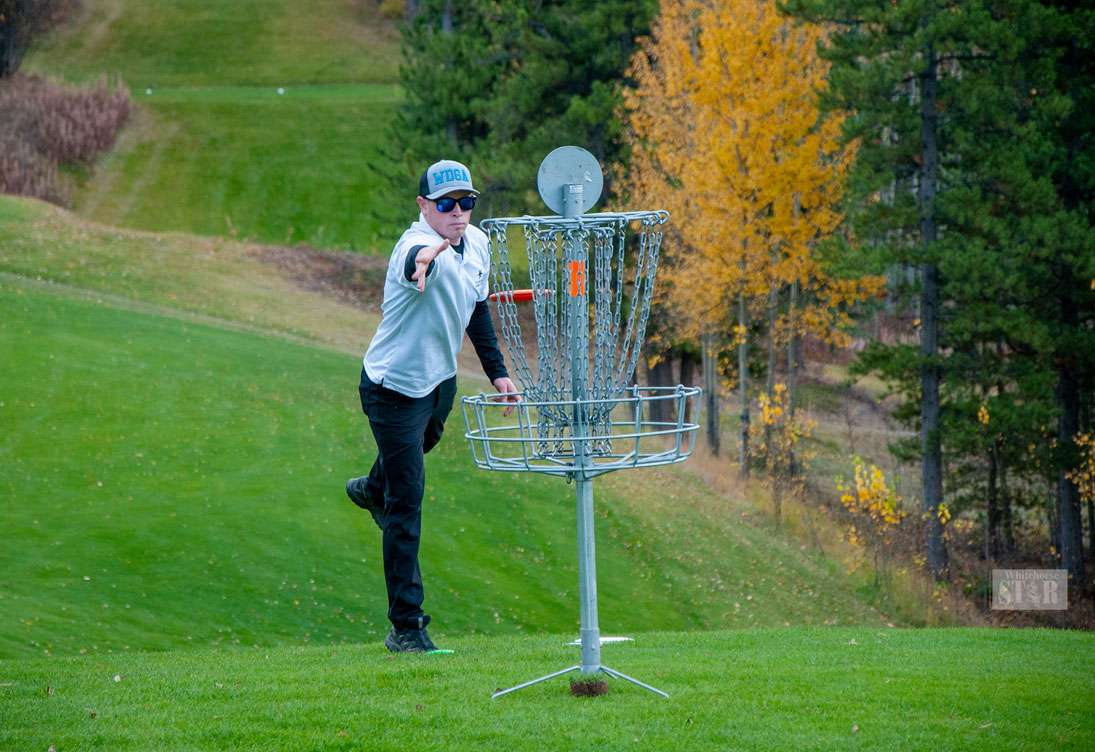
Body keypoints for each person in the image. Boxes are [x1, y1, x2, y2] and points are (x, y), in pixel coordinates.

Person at [346, 159, 518, 653]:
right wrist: (423, 263)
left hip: (439, 384)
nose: (458, 213)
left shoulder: (479, 243)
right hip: (393, 389)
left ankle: (372, 488)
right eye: (446, 205)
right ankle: (407, 629)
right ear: (425, 207)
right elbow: (414, 261)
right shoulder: (415, 245)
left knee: (413, 459)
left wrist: (498, 373)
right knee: (409, 502)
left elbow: (476, 308)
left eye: (467, 202)